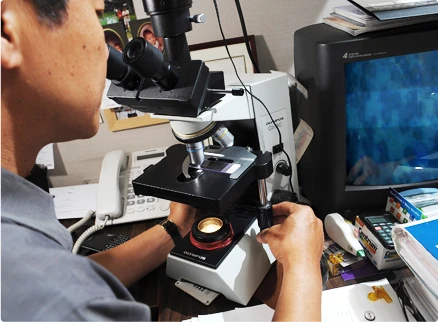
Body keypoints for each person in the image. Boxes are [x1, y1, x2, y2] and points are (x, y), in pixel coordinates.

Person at [1, 0, 324, 321]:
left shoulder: (21, 238)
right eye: (96, 18)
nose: (104, 54)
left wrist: (173, 229)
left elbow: (76, 277)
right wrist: (302, 264)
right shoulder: (47, 291)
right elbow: (68, 295)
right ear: (8, 32)